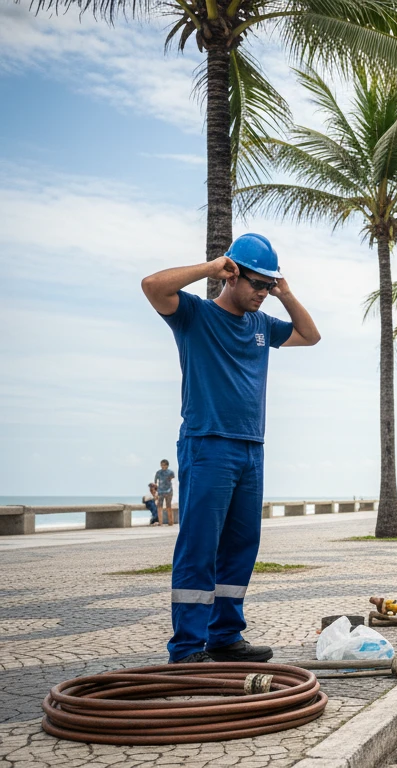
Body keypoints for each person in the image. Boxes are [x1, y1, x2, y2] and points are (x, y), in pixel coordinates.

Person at [142, 233, 320, 664]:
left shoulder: (261, 325)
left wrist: (286, 292)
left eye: (268, 286)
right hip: (209, 445)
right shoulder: (194, 316)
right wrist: (208, 268)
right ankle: (186, 649)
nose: (262, 293)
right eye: (257, 284)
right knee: (200, 546)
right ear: (232, 275)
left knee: (242, 546)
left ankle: (224, 636)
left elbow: (310, 335)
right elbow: (152, 285)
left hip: (251, 449)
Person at [155, 460, 177, 526]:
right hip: (160, 491)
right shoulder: (158, 472)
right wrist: (156, 492)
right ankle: (160, 522)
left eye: (164, 465)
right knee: (159, 507)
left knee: (168, 506)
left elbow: (172, 478)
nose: (163, 466)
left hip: (169, 491)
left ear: (167, 465)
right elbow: (156, 482)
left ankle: (170, 522)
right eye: (162, 465)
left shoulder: (171, 472)